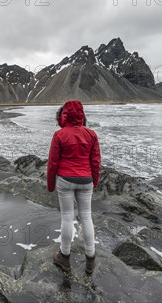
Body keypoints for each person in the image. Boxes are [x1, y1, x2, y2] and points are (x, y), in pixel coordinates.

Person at [47, 100, 100, 275]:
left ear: (65, 115)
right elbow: (95, 161)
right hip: (86, 180)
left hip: (65, 180)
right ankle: (90, 259)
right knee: (86, 217)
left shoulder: (60, 135)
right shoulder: (91, 134)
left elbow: (53, 163)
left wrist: (50, 184)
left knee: (67, 218)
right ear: (82, 115)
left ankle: (64, 256)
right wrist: (95, 180)